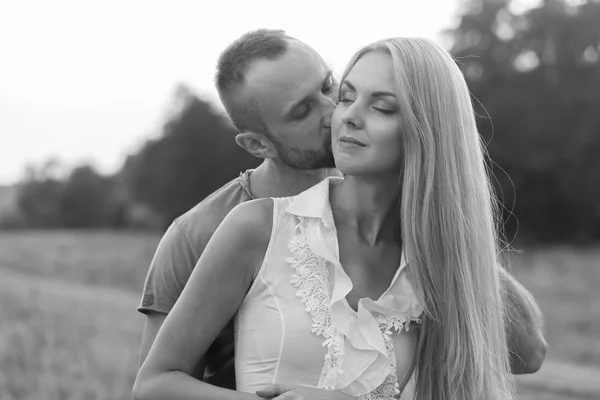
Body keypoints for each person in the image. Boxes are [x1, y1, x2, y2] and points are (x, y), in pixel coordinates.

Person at [135, 30, 547, 395]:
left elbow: (527, 354)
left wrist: (448, 227)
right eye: (302, 111)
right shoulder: (218, 230)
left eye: (333, 89)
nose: (337, 113)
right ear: (257, 145)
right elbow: (155, 383)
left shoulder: (424, 250)